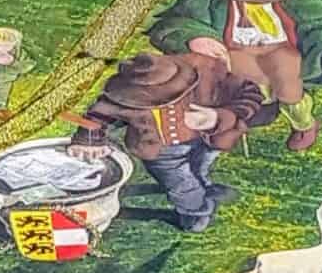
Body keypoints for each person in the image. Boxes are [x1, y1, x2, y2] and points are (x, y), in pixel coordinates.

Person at [150, 0, 322, 151]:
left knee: (289, 86)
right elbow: (174, 24)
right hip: (234, 51)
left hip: (280, 49)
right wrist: (198, 37)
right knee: (250, 87)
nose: (257, 1)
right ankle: (231, 125)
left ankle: (304, 125)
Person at [70, 51, 271, 231]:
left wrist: (218, 117)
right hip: (161, 151)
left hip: (207, 140)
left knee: (200, 168)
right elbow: (97, 116)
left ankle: (203, 186)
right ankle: (195, 212)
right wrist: (88, 140)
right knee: (181, 184)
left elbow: (251, 95)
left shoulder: (208, 72)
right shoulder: (126, 93)